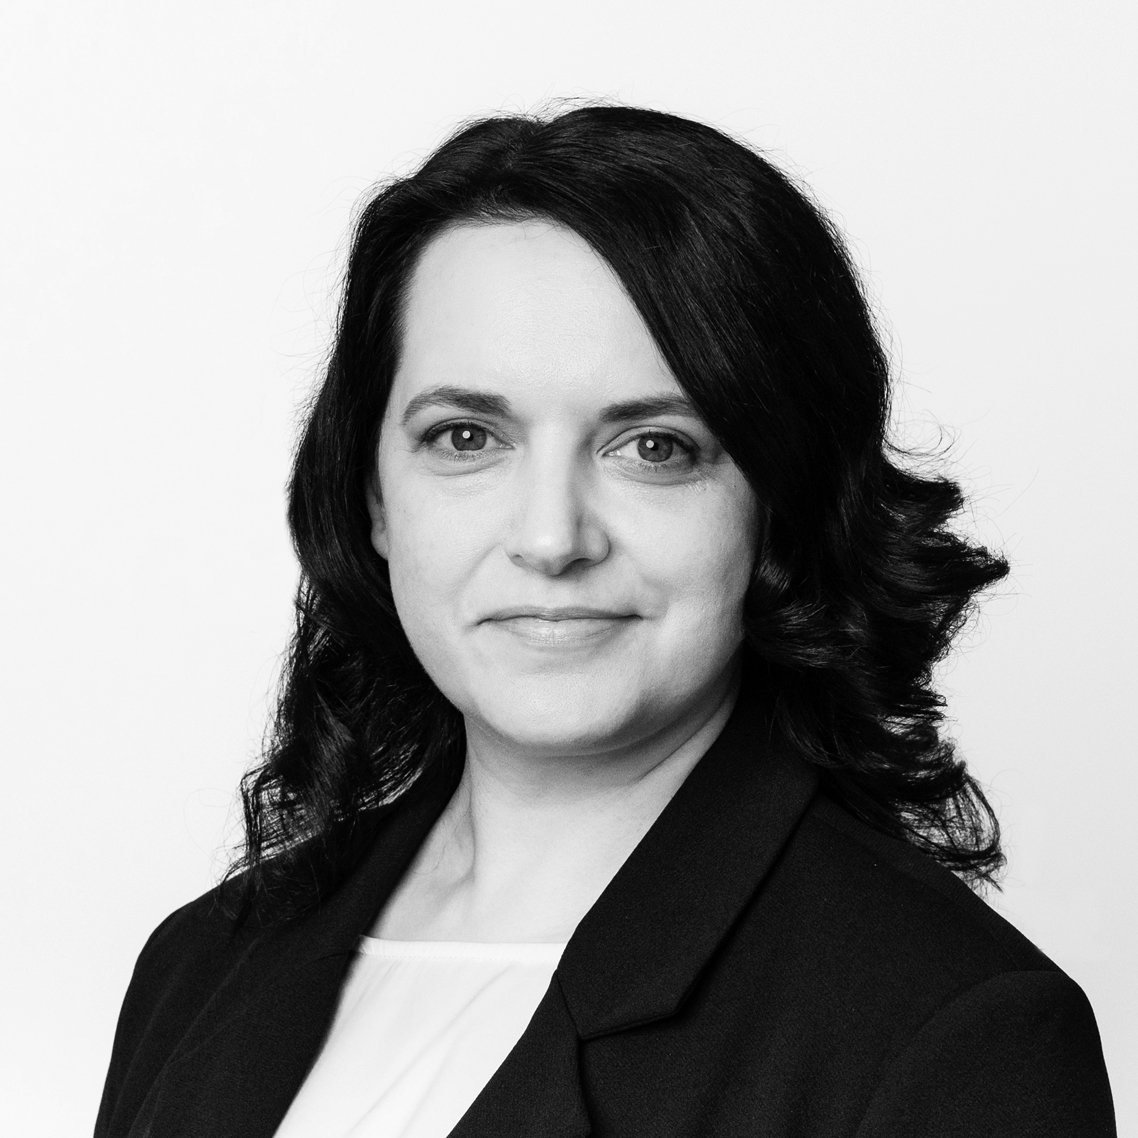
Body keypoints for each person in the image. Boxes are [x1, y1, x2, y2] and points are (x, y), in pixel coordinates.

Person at [94, 105, 1116, 1138]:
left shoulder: (958, 1034)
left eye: (655, 448)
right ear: (374, 499)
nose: (551, 538)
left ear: (780, 507)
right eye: (465, 437)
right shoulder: (201, 965)